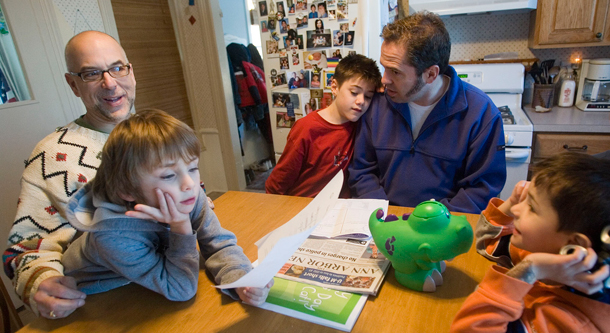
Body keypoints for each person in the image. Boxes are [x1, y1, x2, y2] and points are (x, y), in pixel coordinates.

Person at [61, 109, 273, 304]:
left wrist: (242, 280)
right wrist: (181, 226)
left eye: (193, 168)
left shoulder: (188, 194)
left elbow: (218, 243)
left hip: (146, 279)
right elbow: (181, 288)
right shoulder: (112, 236)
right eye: (169, 175)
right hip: (98, 294)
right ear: (127, 191)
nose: (190, 184)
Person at [2, 31, 136, 319]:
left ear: (131, 71)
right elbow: (25, 251)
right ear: (73, 84)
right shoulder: (52, 156)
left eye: (117, 68)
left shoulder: (157, 133)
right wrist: (40, 282)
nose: (110, 83)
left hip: (177, 278)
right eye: (91, 74)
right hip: (110, 305)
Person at [348, 12, 506, 214]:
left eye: (395, 71)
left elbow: (481, 190)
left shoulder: (481, 114)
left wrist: (428, 221)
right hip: (384, 221)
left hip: (444, 227)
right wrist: (383, 214)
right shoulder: (378, 104)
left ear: (431, 74)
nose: (384, 80)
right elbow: (362, 171)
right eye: (384, 68)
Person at [451, 152, 610, 332]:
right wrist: (511, 202)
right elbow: (488, 242)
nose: (516, 210)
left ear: (574, 243)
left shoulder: (568, 322)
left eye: (532, 207)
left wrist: (527, 270)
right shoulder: (546, 252)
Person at [266, 54, 382, 197]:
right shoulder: (306, 128)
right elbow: (277, 184)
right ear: (334, 87)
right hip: (302, 208)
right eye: (354, 92)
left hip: (338, 209)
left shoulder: (362, 124)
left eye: (368, 96)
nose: (361, 101)